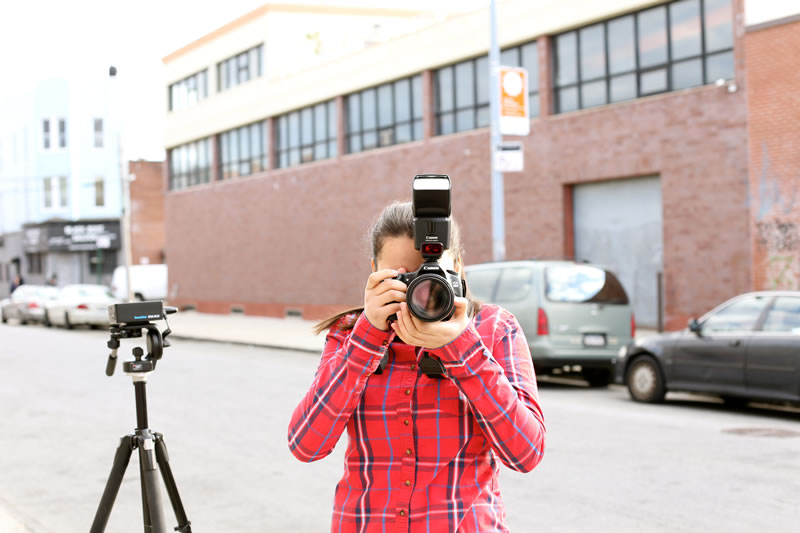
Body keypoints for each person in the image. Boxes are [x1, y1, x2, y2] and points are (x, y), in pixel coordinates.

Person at [288, 201, 546, 532]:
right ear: (374, 271)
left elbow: (525, 454)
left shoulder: (494, 328)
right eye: (403, 278)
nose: (419, 291)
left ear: (458, 266)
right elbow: (306, 445)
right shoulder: (350, 334)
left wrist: (462, 349)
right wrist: (367, 338)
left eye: (432, 274)